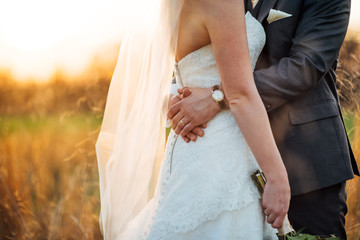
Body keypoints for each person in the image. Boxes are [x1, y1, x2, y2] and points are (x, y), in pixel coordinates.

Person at [96, 0, 292, 239]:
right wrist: (276, 176)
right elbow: (240, 94)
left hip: (189, 148)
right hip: (222, 156)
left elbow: (179, 71)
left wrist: (173, 98)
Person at [168, 0, 360, 239]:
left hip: (308, 165)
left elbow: (305, 66)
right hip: (227, 163)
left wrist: (218, 96)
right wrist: (177, 95)